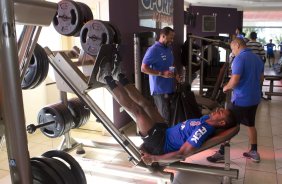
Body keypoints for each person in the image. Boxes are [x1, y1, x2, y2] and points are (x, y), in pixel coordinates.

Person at [96, 57, 237, 165]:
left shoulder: (204, 130)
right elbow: (210, 108)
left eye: (220, 112)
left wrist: (154, 158)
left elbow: (182, 154)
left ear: (222, 122)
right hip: (165, 130)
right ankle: (119, 75)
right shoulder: (207, 119)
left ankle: (106, 78)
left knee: (137, 110)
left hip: (160, 144)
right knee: (146, 104)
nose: (218, 110)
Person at [207, 38, 264, 163]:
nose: (233, 52)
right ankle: (254, 151)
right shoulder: (257, 58)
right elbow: (261, 79)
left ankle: (222, 152)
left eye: (233, 49)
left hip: (241, 100)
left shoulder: (239, 59)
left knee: (229, 125)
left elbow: (235, 81)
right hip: (254, 98)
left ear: (237, 45)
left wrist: (226, 87)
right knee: (250, 124)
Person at [141, 26, 177, 124]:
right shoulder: (153, 50)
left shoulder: (169, 48)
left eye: (173, 38)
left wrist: (176, 75)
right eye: (171, 37)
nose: (172, 40)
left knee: (172, 115)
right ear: (163, 36)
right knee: (164, 117)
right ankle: (164, 138)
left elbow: (171, 64)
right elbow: (143, 68)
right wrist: (161, 73)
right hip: (159, 90)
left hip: (170, 87)